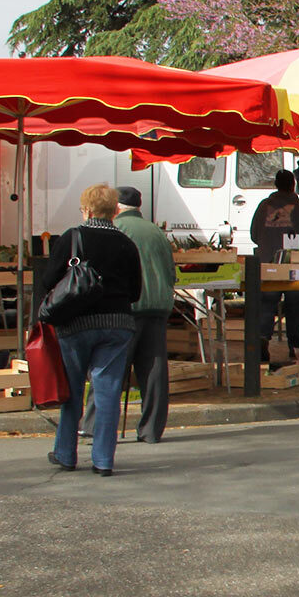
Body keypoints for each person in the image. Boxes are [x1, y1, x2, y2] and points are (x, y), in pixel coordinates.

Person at [41, 184, 143, 477]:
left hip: (76, 324)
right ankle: (103, 460)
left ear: (86, 210)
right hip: (118, 325)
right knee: (108, 393)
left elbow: (48, 281)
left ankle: (65, 454)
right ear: (114, 211)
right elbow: (135, 292)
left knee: (72, 391)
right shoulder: (126, 243)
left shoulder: (72, 238)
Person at [112, 186, 176, 444]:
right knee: (154, 370)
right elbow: (171, 271)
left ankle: (96, 425)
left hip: (129, 307)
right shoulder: (156, 231)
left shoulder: (117, 229)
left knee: (112, 367)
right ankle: (151, 430)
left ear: (116, 206)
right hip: (158, 306)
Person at [250, 169, 299, 361]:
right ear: (293, 185)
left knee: (266, 305)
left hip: (268, 265)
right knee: (294, 306)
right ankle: (295, 347)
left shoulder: (264, 206)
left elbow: (254, 235)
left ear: (276, 184)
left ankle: (262, 340)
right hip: (292, 266)